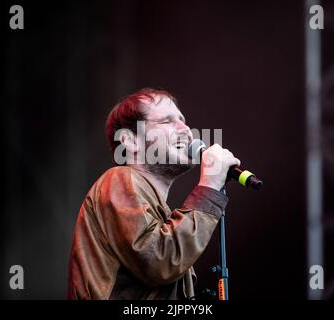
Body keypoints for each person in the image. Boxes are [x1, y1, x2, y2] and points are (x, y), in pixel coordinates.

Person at [67, 88, 240, 300]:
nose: (186, 129)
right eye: (167, 121)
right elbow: (159, 259)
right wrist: (210, 187)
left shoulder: (164, 214)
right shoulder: (117, 179)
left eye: (183, 120)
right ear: (130, 141)